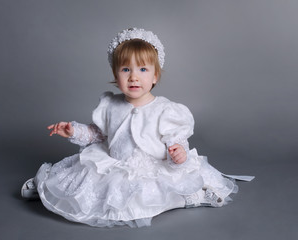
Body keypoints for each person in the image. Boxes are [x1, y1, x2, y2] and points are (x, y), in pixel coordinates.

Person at [21, 28, 254, 228]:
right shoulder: (111, 104)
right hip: (114, 163)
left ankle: (192, 196)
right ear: (115, 74)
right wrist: (73, 131)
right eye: (126, 70)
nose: (134, 77)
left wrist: (178, 154)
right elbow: (98, 134)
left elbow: (176, 140)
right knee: (83, 181)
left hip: (151, 166)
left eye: (142, 70)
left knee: (151, 195)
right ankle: (48, 189)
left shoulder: (165, 110)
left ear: (155, 76)